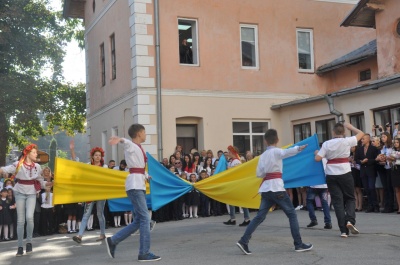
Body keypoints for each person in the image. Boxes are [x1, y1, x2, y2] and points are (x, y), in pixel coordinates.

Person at [236, 129, 312, 255]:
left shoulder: (262, 156)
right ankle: (298, 244)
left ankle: (244, 240)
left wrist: (268, 171)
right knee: (292, 214)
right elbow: (287, 152)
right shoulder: (277, 151)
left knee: (260, 216)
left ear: (265, 141)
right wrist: (299, 148)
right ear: (277, 140)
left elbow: (259, 174)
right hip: (277, 187)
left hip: (266, 189)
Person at [106, 124, 161, 262]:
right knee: (145, 218)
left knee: (138, 220)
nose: (145, 134)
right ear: (139, 133)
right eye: (144, 132)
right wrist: (120, 139)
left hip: (138, 183)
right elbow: (127, 143)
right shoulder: (132, 146)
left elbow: (139, 167)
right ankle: (144, 253)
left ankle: (113, 241)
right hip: (135, 186)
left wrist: (147, 175)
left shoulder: (139, 148)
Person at [0, 144, 52, 256]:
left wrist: (47, 183)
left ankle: (29, 242)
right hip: (19, 192)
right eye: (34, 152)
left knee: (29, 217)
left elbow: (40, 181)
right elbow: (7, 168)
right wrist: (1, 170)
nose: (36, 154)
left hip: (32, 192)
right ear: (27, 153)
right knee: (20, 220)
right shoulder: (19, 165)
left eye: (36, 152)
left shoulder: (37, 166)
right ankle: (19, 246)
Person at [316, 122, 364, 238]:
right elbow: (361, 133)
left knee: (337, 202)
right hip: (345, 172)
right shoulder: (347, 141)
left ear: (333, 132)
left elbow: (317, 159)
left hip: (331, 174)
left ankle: (343, 231)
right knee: (350, 198)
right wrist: (351, 127)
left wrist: (318, 153)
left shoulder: (327, 144)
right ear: (344, 132)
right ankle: (350, 221)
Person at [71, 140, 108, 243]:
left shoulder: (104, 167)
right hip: (90, 193)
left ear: (101, 157)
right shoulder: (88, 165)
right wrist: (72, 150)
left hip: (101, 193)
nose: (97, 157)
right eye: (96, 155)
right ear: (92, 156)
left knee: (100, 214)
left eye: (99, 155)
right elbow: (77, 165)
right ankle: (79, 236)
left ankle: (102, 234)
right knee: (86, 214)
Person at [223, 146, 250, 227]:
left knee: (241, 201)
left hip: (238, 184)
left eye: (229, 152)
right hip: (234, 183)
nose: (228, 153)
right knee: (231, 200)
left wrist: (229, 169)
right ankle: (233, 218)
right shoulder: (232, 161)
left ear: (232, 152)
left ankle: (246, 218)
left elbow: (236, 171)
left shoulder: (236, 161)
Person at [356, 134, 381, 213]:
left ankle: (375, 205)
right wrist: (361, 162)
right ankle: (370, 206)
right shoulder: (360, 149)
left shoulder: (373, 149)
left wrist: (368, 161)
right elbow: (356, 159)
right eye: (361, 139)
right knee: (366, 188)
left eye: (363, 139)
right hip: (363, 171)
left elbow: (376, 159)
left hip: (371, 171)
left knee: (371, 188)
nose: (362, 140)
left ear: (368, 139)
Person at [306, 159, 332, 230]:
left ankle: (313, 219)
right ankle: (328, 222)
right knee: (324, 203)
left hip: (314, 184)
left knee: (309, 201)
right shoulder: (325, 159)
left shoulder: (313, 159)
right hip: (323, 185)